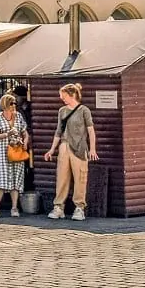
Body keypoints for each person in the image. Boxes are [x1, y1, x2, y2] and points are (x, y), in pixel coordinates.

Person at [44, 83, 97, 221]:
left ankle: (79, 207)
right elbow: (58, 131)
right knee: (62, 177)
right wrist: (52, 149)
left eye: (64, 96)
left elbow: (91, 130)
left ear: (72, 95)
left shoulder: (84, 110)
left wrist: (92, 149)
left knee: (80, 178)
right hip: (64, 146)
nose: (62, 98)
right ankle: (58, 206)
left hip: (79, 147)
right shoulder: (62, 111)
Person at [0, 93, 28, 218]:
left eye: (15, 103)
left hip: (16, 151)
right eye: (11, 103)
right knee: (1, 179)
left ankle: (14, 207)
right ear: (5, 105)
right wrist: (8, 134)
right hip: (2, 152)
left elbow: (25, 132)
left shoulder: (19, 117)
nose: (14, 106)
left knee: (16, 179)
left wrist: (25, 142)